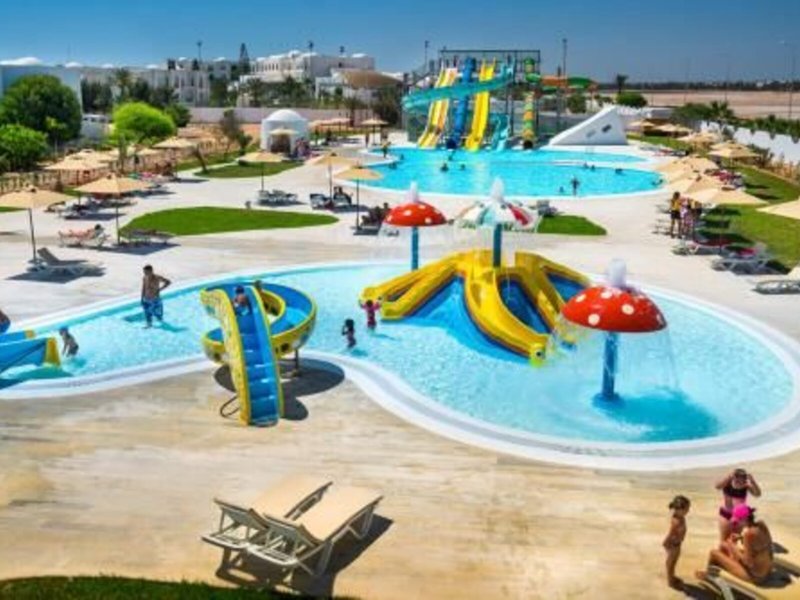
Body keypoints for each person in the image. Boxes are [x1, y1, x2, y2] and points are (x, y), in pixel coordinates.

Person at [697, 505, 773, 585]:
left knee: (713, 553)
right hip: (767, 572)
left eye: (738, 521)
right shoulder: (762, 525)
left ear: (744, 519)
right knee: (724, 545)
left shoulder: (748, 534)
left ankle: (708, 576)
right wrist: (741, 538)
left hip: (755, 577)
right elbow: (767, 547)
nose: (736, 523)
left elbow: (748, 562)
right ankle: (719, 568)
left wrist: (733, 546)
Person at [716, 468, 761, 541]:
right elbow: (717, 486)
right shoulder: (727, 483)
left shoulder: (746, 486)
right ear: (733, 477)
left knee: (736, 540)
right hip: (726, 514)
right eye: (737, 479)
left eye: (742, 480)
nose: (739, 482)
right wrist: (728, 476)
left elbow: (757, 494)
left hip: (740, 517)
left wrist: (753, 481)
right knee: (724, 540)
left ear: (745, 479)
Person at [663, 495, 691, 590]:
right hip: (673, 545)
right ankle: (670, 581)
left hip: (677, 544)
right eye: (686, 509)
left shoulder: (680, 516)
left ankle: (672, 577)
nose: (688, 511)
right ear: (679, 509)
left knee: (673, 562)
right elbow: (670, 533)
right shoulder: (677, 522)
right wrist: (666, 542)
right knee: (671, 563)